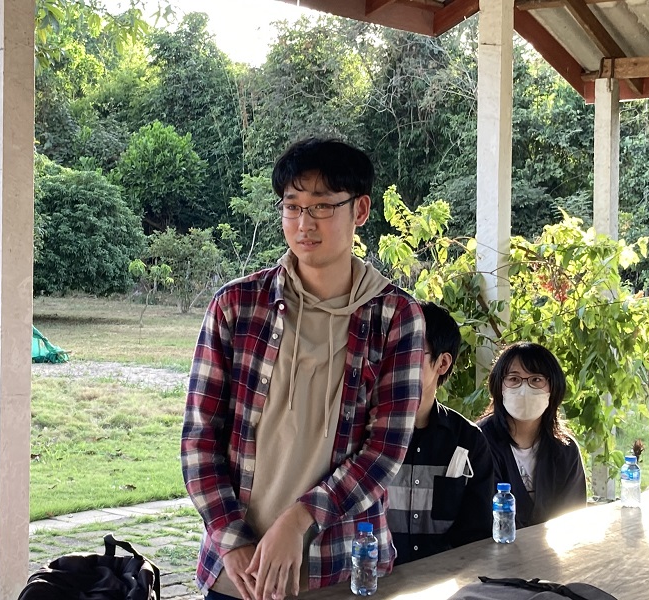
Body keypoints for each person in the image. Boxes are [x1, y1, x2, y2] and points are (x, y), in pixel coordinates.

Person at [181, 137, 425, 600]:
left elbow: (384, 450)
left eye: (321, 206)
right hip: (239, 575)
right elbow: (199, 437)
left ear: (360, 210)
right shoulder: (237, 306)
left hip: (343, 569)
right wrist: (232, 540)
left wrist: (300, 520)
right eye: (292, 207)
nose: (303, 223)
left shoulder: (395, 316)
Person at [387, 301, 493, 564]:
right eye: (389, 350)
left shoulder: (468, 442)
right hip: (376, 580)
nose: (393, 361)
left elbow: (476, 537)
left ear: (442, 363)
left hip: (446, 581)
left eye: (409, 350)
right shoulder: (365, 435)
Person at [477, 342, 587, 528]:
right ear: (499, 386)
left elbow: (573, 520)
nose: (524, 389)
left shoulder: (565, 450)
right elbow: (484, 519)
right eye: (514, 379)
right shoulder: (480, 442)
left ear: (553, 387)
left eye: (536, 379)